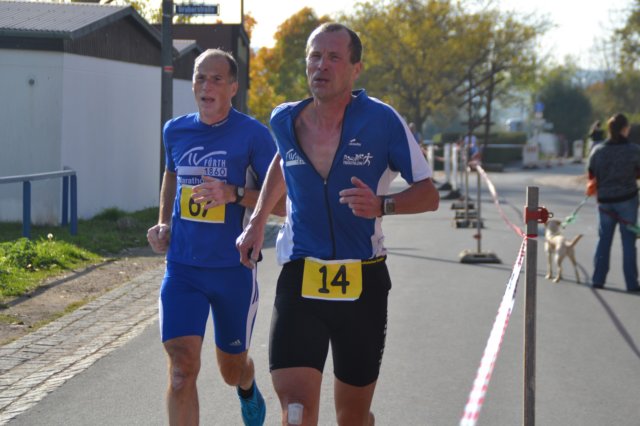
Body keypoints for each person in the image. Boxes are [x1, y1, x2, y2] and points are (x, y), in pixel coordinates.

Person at [236, 23, 440, 425]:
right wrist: (257, 220)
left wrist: (383, 205)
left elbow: (428, 194)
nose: (321, 66)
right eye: (315, 56)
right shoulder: (285, 120)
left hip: (363, 281)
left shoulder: (382, 120)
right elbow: (283, 159)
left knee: (352, 418)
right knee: (296, 412)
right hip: (301, 275)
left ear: (355, 68)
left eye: (333, 57)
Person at [147, 48, 283, 425]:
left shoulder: (254, 136)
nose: (206, 86)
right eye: (200, 78)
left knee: (231, 370)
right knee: (181, 370)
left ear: (233, 87)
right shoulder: (175, 130)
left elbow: (286, 204)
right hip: (183, 269)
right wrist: (164, 223)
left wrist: (234, 194)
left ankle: (247, 385)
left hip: (233, 270)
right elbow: (171, 175)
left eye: (216, 79)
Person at [587, 113, 640, 292]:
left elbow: (591, 174)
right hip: (627, 200)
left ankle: (598, 279)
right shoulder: (634, 150)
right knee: (628, 242)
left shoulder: (598, 150)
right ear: (625, 129)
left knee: (604, 239)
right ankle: (632, 283)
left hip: (605, 202)